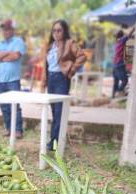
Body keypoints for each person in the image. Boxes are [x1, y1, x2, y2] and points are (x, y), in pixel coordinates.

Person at [42, 19, 85, 151]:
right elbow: (47, 65)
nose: (56, 33)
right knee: (55, 111)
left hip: (61, 79)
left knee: (59, 111)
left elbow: (82, 56)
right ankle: (58, 138)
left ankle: (54, 142)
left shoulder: (69, 43)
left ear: (64, 31)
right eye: (54, 30)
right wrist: (44, 80)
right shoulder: (50, 46)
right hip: (51, 79)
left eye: (59, 30)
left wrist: (71, 70)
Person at [0, 19, 25, 138]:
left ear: (12, 30)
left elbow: (15, 56)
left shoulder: (18, 41)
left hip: (13, 80)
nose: (5, 31)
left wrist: (2, 56)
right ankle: (8, 127)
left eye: (8, 29)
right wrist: (7, 53)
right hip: (0, 79)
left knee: (14, 105)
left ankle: (18, 129)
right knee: (4, 105)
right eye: (4, 29)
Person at [112, 27, 134, 98]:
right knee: (125, 80)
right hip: (119, 64)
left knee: (116, 81)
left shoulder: (116, 42)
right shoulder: (122, 40)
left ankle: (113, 96)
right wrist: (134, 28)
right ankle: (118, 91)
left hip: (115, 64)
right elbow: (129, 35)